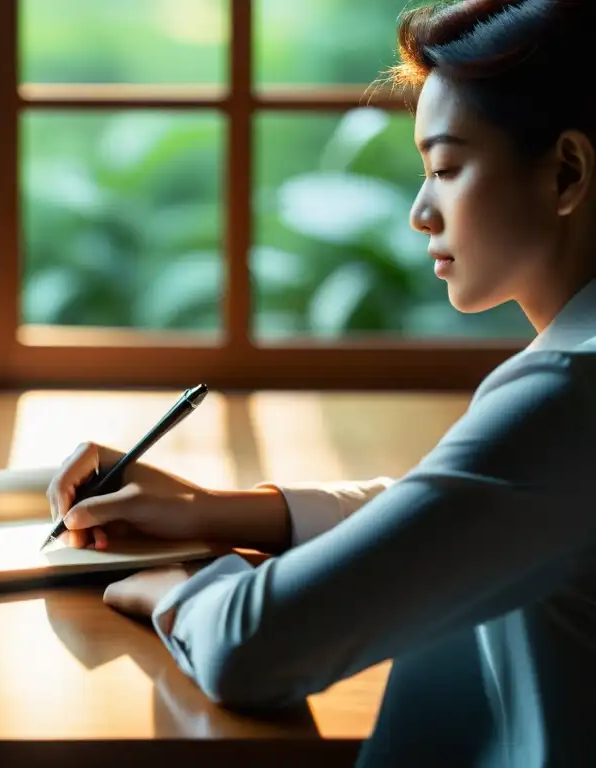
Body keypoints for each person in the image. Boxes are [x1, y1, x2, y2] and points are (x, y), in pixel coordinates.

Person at [45, 1, 596, 765]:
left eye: (445, 167)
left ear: (566, 172)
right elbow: (453, 521)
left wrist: (177, 590)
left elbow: (255, 649)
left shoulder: (569, 391)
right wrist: (216, 511)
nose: (419, 211)